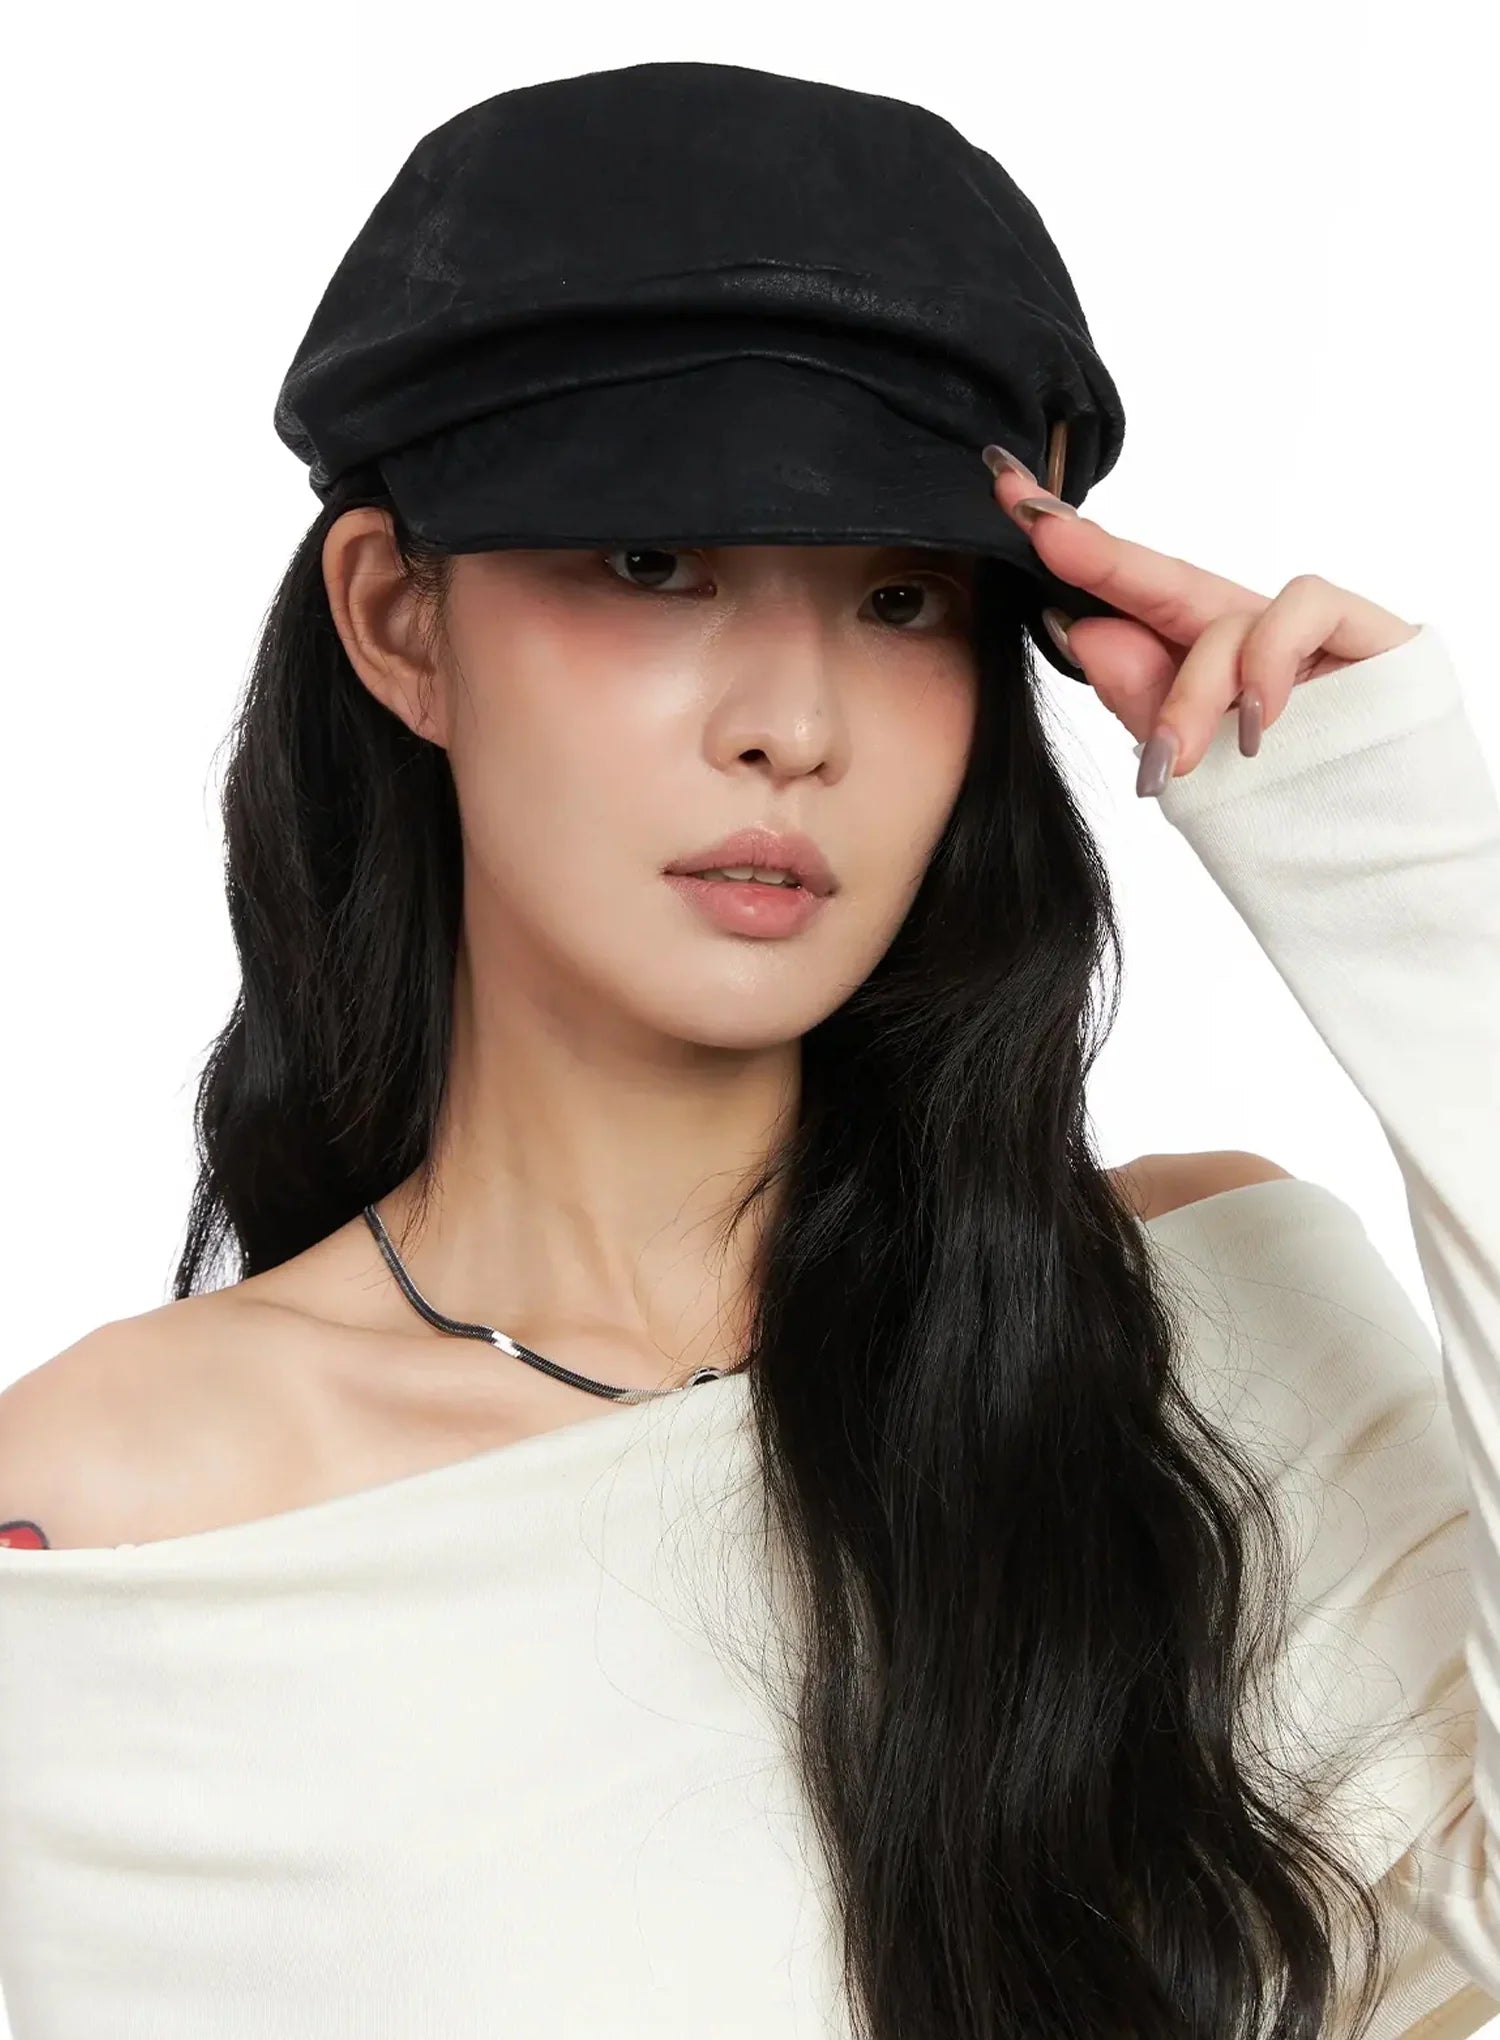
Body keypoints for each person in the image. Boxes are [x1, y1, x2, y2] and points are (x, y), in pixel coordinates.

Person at [1, 60, 1497, 2040]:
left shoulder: (1209, 1328)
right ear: (400, 621)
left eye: (902, 598)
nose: (795, 721)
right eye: (656, 562)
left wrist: (1416, 877)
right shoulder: (115, 1520)